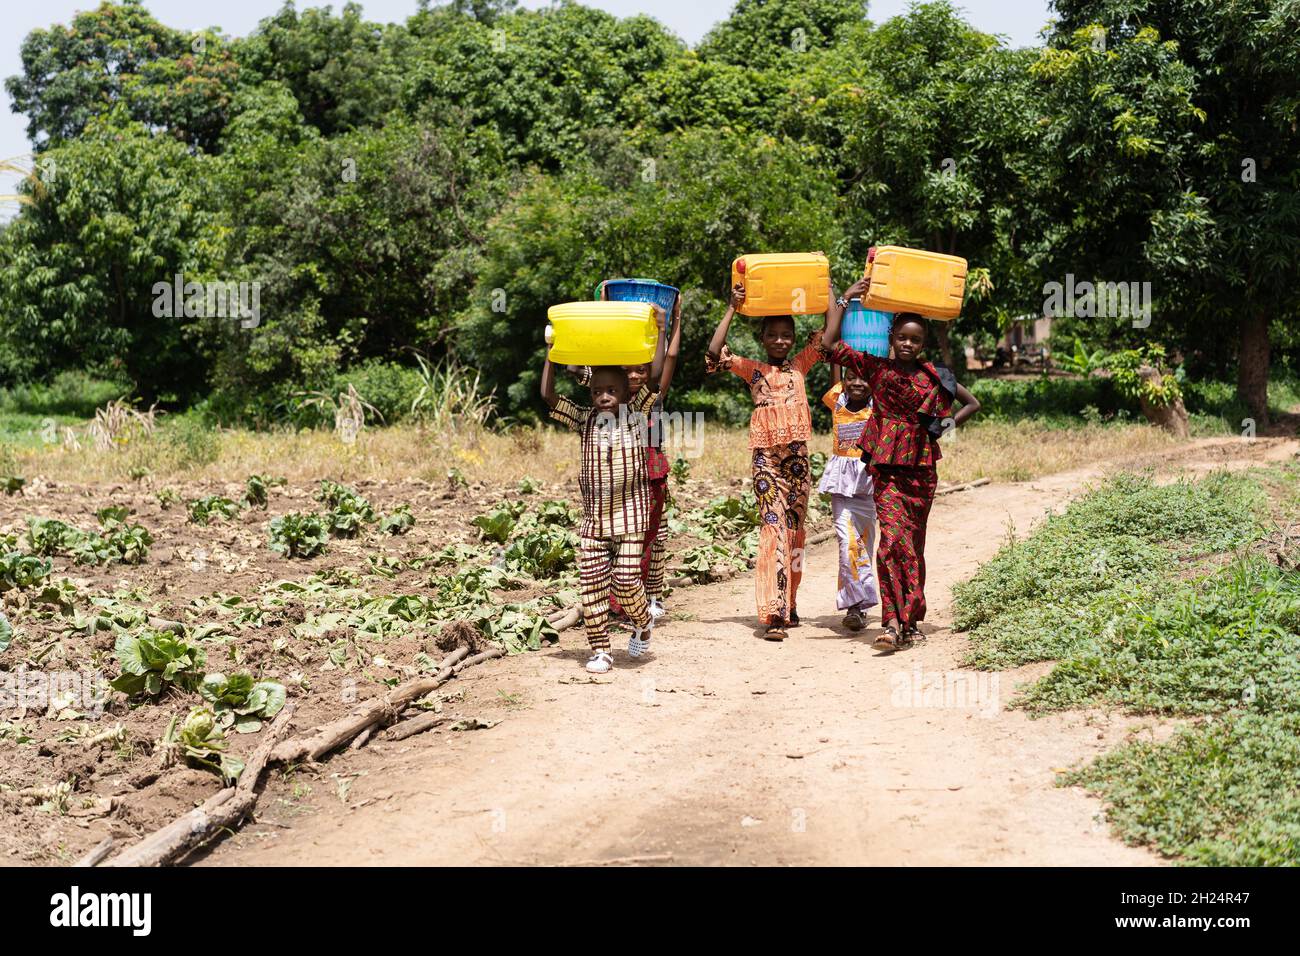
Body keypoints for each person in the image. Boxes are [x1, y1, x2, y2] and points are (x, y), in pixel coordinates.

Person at [824, 277, 981, 651]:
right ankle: (891, 622)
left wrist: (940, 430)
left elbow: (973, 404)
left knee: (912, 544)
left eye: (916, 340)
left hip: (922, 470)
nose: (908, 344)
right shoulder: (874, 368)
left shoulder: (933, 375)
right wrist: (844, 300)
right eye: (902, 338)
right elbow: (827, 346)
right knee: (890, 541)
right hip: (886, 467)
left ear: (922, 344)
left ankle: (910, 620)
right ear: (891, 336)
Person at [542, 314, 667, 673]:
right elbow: (548, 397)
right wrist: (550, 351)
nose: (603, 397)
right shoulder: (584, 420)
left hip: (630, 516)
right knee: (592, 589)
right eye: (597, 391)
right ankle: (600, 650)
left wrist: (658, 331)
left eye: (611, 391)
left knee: (628, 580)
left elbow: (655, 376)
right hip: (595, 522)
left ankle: (643, 621)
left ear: (627, 393)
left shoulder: (635, 413)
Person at [705, 283, 827, 641]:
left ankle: (789, 603)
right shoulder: (752, 370)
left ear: (793, 338)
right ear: (761, 338)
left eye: (786, 335)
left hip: (798, 463)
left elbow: (830, 333)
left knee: (794, 532)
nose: (779, 340)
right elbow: (714, 353)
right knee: (773, 529)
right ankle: (772, 612)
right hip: (766, 463)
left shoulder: (802, 365)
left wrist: (830, 294)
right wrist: (732, 307)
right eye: (772, 335)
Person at [574, 291, 683, 622]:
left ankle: (651, 597)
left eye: (641, 370)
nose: (635, 376)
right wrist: (603, 312)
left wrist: (670, 323)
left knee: (655, 538)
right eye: (629, 372)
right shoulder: (610, 395)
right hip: (614, 481)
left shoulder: (649, 398)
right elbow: (578, 366)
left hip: (651, 472)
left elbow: (670, 359)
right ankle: (618, 601)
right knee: (614, 540)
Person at [819, 364, 879, 631]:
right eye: (850, 377)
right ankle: (854, 605)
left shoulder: (877, 405)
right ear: (842, 380)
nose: (856, 383)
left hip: (868, 487)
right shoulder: (837, 400)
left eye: (863, 378)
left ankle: (860, 607)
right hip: (842, 487)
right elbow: (836, 363)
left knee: (863, 546)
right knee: (847, 544)